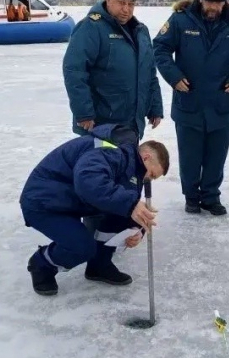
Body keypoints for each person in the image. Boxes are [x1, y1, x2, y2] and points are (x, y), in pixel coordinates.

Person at [19, 123, 170, 296]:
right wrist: (130, 205)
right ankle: (41, 264)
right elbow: (88, 181)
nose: (148, 180)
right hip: (44, 203)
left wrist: (137, 230)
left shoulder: (132, 171)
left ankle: (99, 265)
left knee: (124, 212)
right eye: (151, 174)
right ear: (146, 157)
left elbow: (128, 203)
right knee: (82, 247)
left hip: (72, 203)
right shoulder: (109, 150)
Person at [153, 0, 229, 215]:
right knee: (190, 157)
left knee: (216, 156)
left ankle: (211, 197)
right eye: (210, 3)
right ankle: (191, 197)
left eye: (220, 4)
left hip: (221, 101)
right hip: (189, 100)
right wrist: (174, 77)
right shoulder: (180, 20)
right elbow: (160, 48)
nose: (215, 8)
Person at [62, 0, 164, 138]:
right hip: (101, 124)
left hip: (132, 124)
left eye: (131, 4)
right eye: (121, 2)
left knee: (126, 163)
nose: (126, 9)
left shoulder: (140, 31)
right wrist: (84, 113)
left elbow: (149, 73)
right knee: (102, 163)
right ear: (108, 0)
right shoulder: (91, 28)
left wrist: (155, 107)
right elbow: (75, 71)